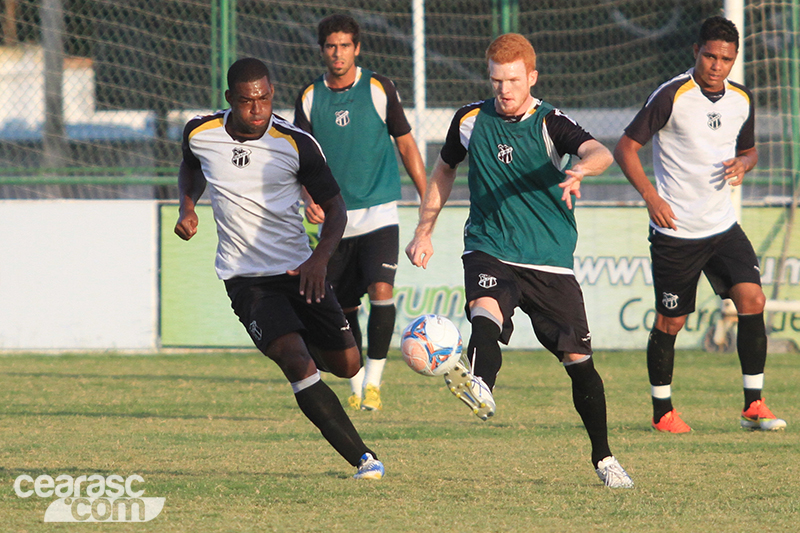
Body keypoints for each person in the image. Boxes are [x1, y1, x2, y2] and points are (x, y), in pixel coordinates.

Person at [406, 33, 634, 488]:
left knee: (578, 360)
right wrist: (424, 230)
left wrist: (581, 169)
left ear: (531, 76)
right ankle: (480, 385)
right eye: (496, 80)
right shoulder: (470, 120)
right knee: (485, 311)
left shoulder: (551, 123)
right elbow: (445, 168)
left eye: (512, 80)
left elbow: (600, 152)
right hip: (490, 246)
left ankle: (605, 459)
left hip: (549, 258)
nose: (504, 90)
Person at [174, 57, 384, 479]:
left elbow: (336, 210)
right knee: (294, 359)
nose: (259, 109)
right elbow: (191, 167)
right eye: (249, 101)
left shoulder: (296, 143)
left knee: (348, 365)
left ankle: (308, 338)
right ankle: (364, 459)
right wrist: (188, 205)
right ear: (231, 99)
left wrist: (319, 260)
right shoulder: (200, 133)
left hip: (299, 271)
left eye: (266, 98)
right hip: (246, 280)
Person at [614, 16, 787, 433]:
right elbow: (625, 148)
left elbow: (750, 150)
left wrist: (745, 162)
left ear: (734, 60)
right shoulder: (671, 95)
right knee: (671, 322)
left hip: (723, 227)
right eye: (710, 55)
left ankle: (754, 406)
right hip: (677, 233)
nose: (716, 65)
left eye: (726, 58)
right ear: (695, 52)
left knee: (753, 301)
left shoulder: (741, 99)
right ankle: (662, 412)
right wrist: (652, 198)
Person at [294, 14, 427, 412]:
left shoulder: (379, 87)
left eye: (345, 45)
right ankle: (355, 387)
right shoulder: (309, 97)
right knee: (344, 307)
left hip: (380, 212)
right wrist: (307, 197)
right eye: (331, 46)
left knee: (381, 291)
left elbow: (406, 146)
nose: (338, 53)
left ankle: (374, 383)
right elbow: (301, 160)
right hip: (337, 221)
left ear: (357, 48)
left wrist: (428, 203)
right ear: (322, 50)